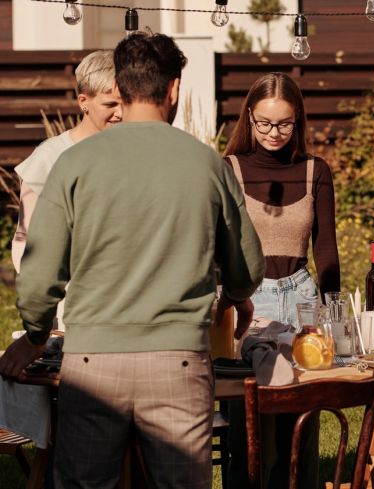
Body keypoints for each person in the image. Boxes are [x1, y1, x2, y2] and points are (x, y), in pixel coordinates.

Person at [0, 32, 265, 489]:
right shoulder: (207, 165)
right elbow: (247, 266)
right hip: (179, 360)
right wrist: (237, 297)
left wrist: (37, 334)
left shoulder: (74, 164)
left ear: (120, 90)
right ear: (174, 89)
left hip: (91, 364)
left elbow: (41, 271)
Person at [222, 72, 340, 489]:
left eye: (285, 123)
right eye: (265, 123)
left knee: (300, 429)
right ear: (249, 118)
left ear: (299, 120)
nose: (274, 133)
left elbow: (326, 249)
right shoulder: (229, 169)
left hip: (302, 298)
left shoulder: (315, 170)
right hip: (250, 302)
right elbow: (219, 248)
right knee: (250, 429)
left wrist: (336, 318)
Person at [12, 50, 121, 274]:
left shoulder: (135, 152)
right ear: (84, 101)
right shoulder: (49, 157)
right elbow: (25, 237)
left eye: (125, 103)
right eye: (110, 105)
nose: (120, 113)